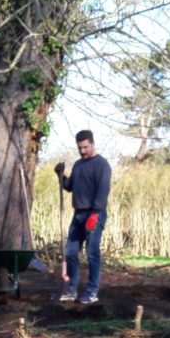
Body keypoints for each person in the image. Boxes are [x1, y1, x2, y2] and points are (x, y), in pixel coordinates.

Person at [54, 130, 112, 304]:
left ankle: (92, 291)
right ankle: (71, 289)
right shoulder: (78, 165)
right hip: (78, 214)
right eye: (80, 148)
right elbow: (69, 186)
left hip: (94, 214)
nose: (83, 151)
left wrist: (95, 213)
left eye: (85, 147)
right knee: (71, 252)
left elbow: (103, 191)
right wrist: (60, 175)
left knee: (92, 253)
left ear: (93, 144)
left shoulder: (102, 165)